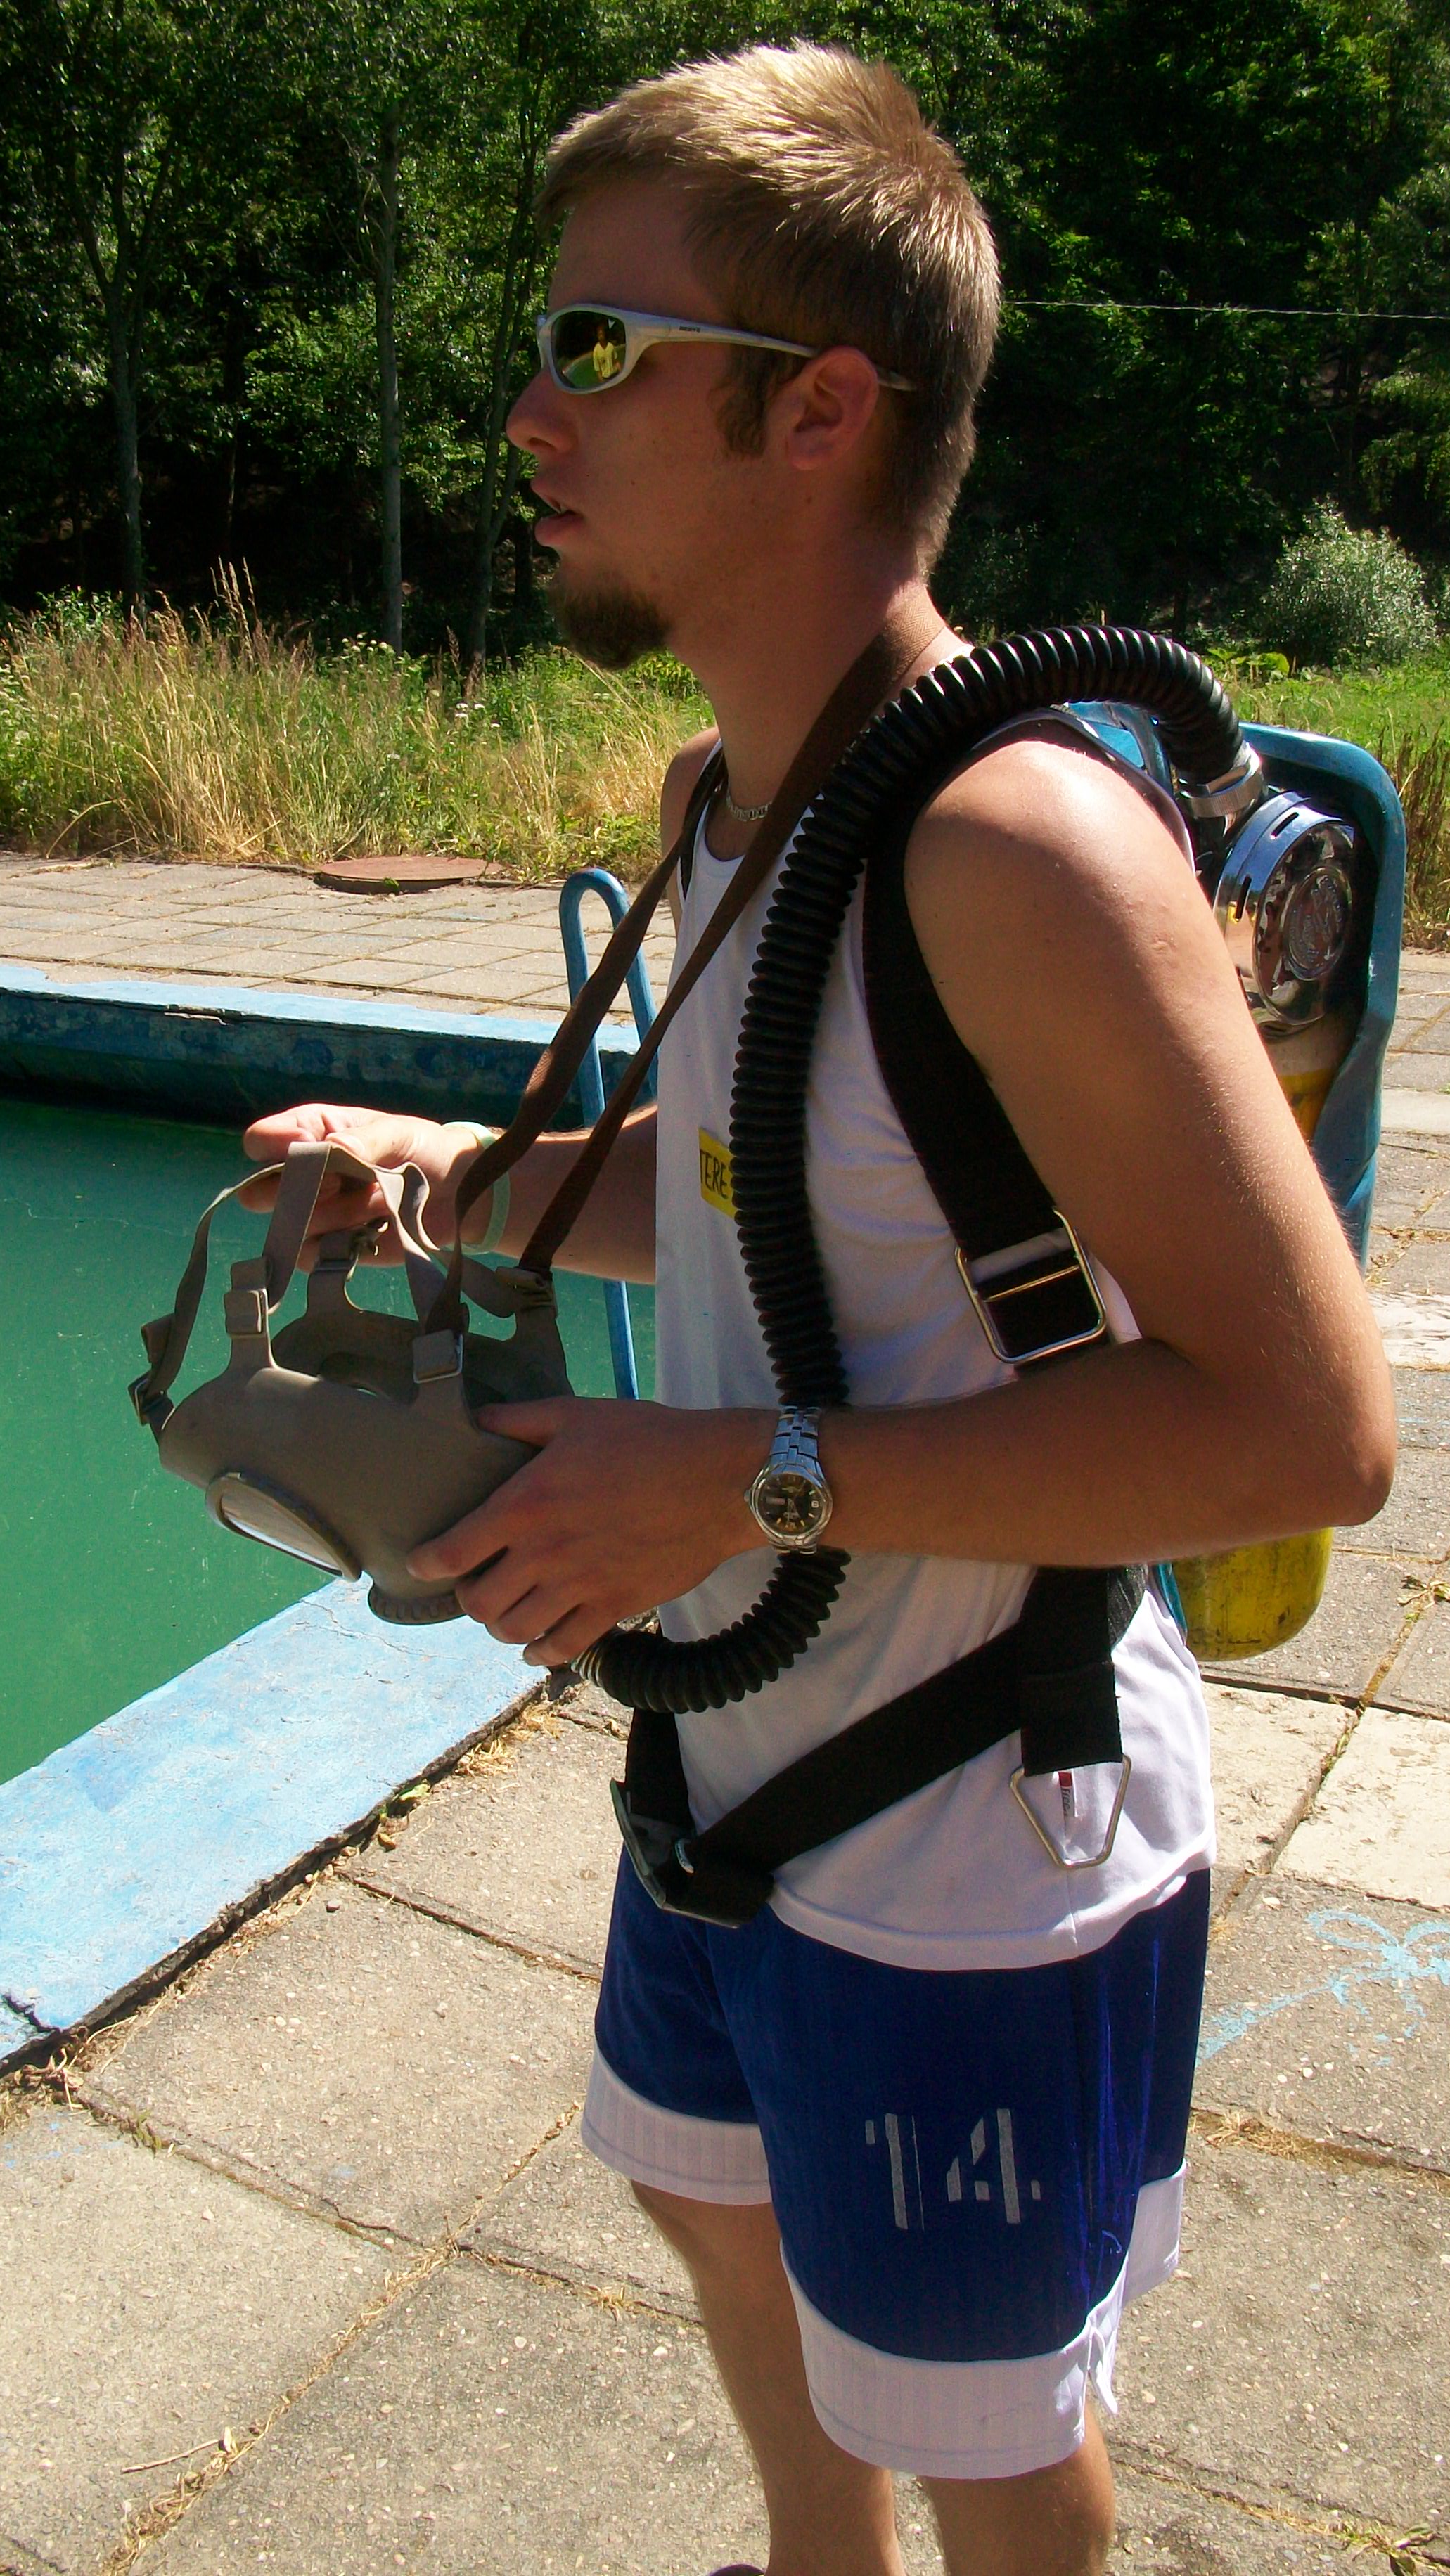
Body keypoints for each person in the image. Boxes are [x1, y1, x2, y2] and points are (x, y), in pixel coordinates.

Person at [245, 43, 1394, 2576]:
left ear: (824, 410)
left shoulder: (1027, 851)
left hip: (977, 1846)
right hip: (740, 1767)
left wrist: (737, 1484)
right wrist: (451, 1185)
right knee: (712, 2200)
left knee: (991, 2433)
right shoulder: (725, 802)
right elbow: (754, 1190)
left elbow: (1309, 1433)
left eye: (599, 347)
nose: (530, 409)